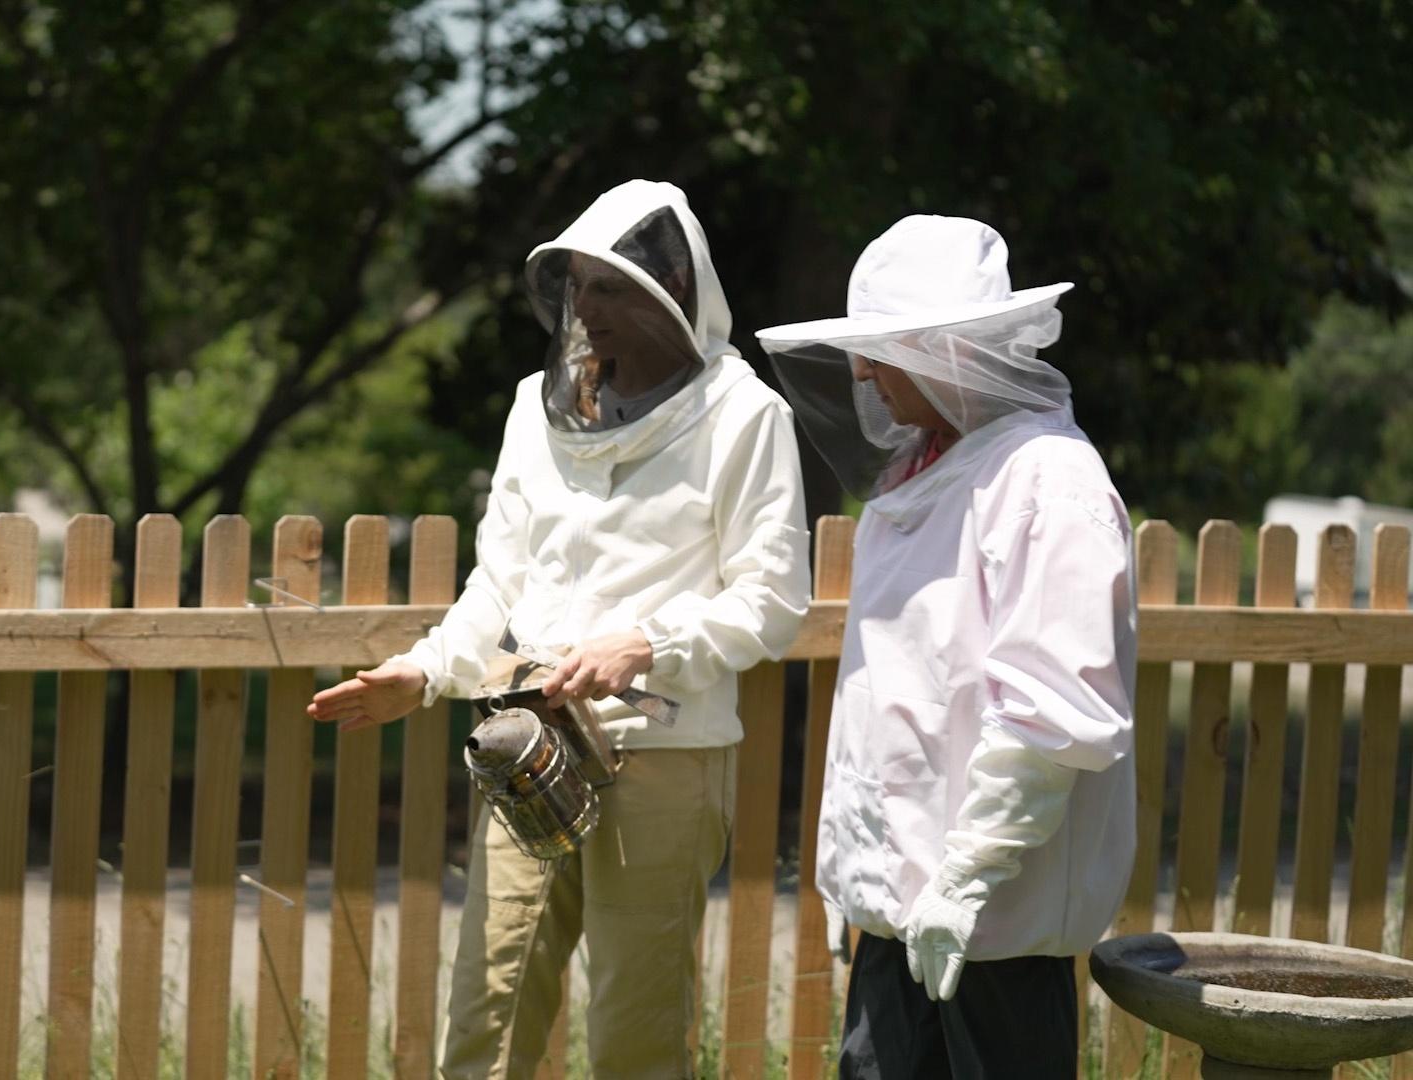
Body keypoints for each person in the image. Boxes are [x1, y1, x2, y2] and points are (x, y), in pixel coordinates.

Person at [308, 179, 812, 1078]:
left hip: (665, 757)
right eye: (577, 287)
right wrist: (422, 674)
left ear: (674, 294)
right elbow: (500, 582)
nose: (588, 307)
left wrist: (647, 643)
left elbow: (770, 600)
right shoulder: (533, 415)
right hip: (529, 749)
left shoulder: (746, 418)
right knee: (487, 1021)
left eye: (611, 287)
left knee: (636, 1034)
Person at [757, 214, 1137, 1079]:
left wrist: (968, 876)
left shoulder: (1048, 483)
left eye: (880, 350)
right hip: (902, 909)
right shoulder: (924, 471)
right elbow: (893, 699)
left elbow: (1056, 714)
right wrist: (859, 865)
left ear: (945, 351)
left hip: (994, 924)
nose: (859, 372)